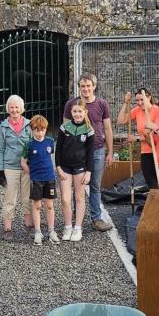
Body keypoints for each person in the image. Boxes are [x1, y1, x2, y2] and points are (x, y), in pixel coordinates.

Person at [62, 73, 114, 232]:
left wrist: (110, 152)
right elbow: (66, 130)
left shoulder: (102, 104)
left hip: (97, 150)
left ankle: (96, 218)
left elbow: (107, 128)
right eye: (83, 86)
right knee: (73, 186)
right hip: (76, 153)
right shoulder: (71, 104)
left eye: (88, 86)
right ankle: (74, 218)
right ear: (79, 87)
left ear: (94, 87)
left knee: (95, 186)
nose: (85, 89)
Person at [0, 94, 33, 241]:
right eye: (11, 107)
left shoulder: (30, 125)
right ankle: (7, 228)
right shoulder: (3, 127)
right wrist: (0, 170)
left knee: (27, 197)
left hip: (27, 168)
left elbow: (33, 145)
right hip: (9, 167)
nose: (14, 110)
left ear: (22, 108)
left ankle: (29, 225)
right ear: (8, 109)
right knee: (9, 199)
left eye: (17, 107)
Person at [56, 99, 94, 242]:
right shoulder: (64, 127)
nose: (77, 114)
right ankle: (67, 226)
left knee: (79, 198)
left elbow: (90, 153)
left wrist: (89, 172)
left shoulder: (89, 130)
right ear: (71, 112)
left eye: (80, 111)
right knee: (65, 199)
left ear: (85, 112)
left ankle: (78, 228)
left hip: (80, 168)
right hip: (65, 168)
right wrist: (58, 167)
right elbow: (58, 149)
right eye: (75, 111)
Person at [20, 115, 59, 245]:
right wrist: (31, 173)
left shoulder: (49, 141)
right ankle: (38, 232)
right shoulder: (29, 145)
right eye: (36, 130)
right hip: (36, 180)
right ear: (32, 130)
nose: (39, 132)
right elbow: (23, 162)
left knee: (49, 205)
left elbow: (49, 156)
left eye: (42, 130)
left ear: (46, 130)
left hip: (49, 178)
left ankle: (51, 231)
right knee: (37, 205)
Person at [116, 88, 159, 189]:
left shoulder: (158, 111)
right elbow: (121, 121)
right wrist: (126, 103)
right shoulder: (137, 111)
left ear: (149, 97)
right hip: (145, 151)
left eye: (142, 100)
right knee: (150, 182)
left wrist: (136, 138)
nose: (139, 103)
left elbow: (157, 133)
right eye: (137, 100)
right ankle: (153, 202)